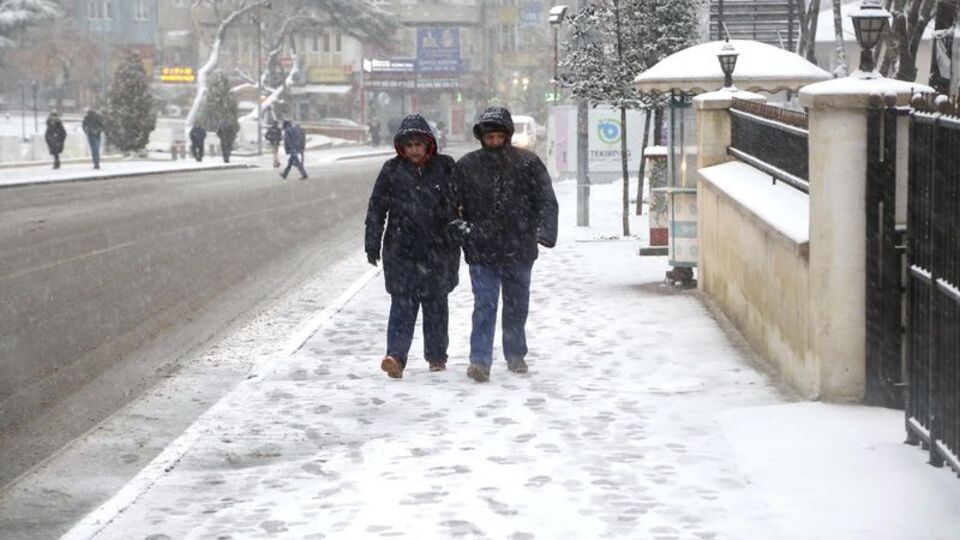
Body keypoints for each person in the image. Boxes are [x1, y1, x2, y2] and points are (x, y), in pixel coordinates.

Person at [452, 107, 558, 382]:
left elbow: (547, 199)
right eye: (491, 137)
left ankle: (515, 354)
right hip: (481, 249)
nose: (495, 141)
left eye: (500, 136)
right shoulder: (466, 166)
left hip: (519, 248)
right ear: (482, 137)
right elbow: (451, 208)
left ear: (508, 136)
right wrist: (465, 233)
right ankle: (479, 360)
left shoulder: (528, 164)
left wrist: (545, 233)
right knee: (484, 304)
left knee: (516, 304)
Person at [365, 114, 460, 379]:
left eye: (419, 144)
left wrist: (460, 236)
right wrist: (372, 242)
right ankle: (395, 357)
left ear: (429, 143)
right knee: (402, 306)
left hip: (439, 251)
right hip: (401, 251)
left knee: (436, 307)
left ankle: (437, 357)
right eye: (409, 145)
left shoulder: (446, 166)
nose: (414, 150)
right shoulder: (391, 170)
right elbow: (377, 209)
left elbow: (459, 205)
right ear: (401, 147)